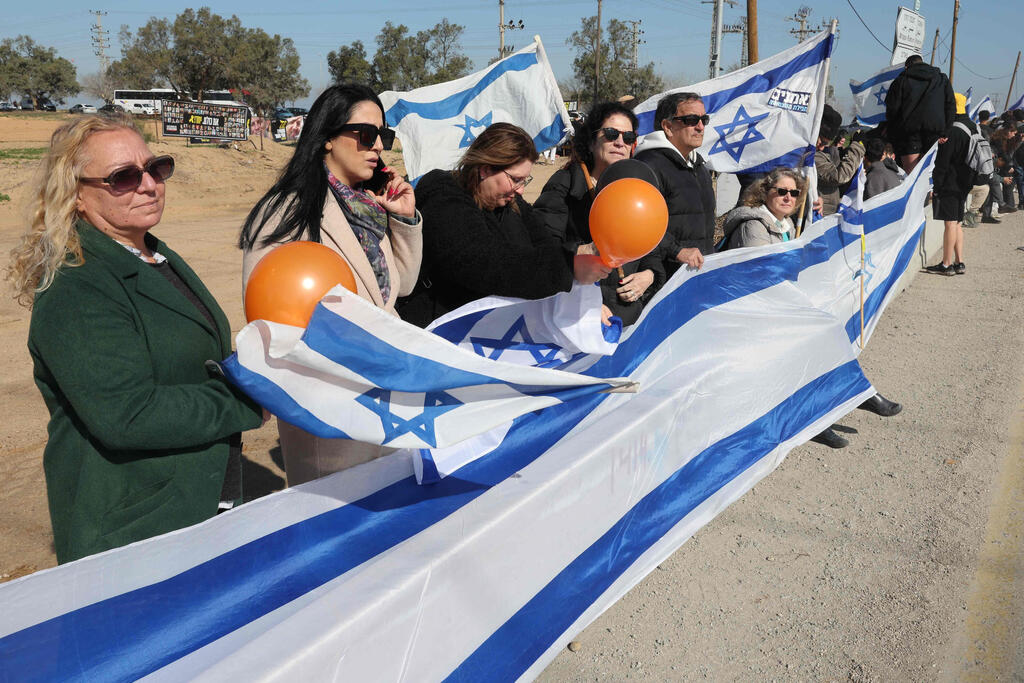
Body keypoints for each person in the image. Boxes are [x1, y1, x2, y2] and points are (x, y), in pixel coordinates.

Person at [6, 113, 264, 563]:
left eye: (156, 167)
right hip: (135, 528)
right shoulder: (78, 285)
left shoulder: (152, 252)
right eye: (123, 176)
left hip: (194, 503)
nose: (148, 184)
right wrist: (250, 401)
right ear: (77, 197)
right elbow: (128, 414)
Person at [240, 83, 422, 486]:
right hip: (327, 400)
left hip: (384, 389)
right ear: (326, 138)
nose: (378, 147)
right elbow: (269, 310)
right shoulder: (286, 209)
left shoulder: (367, 206)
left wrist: (404, 220)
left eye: (384, 136)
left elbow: (399, 289)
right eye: (366, 134)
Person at [396, 123, 611, 328]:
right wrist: (569, 267)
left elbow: (545, 247)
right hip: (441, 333)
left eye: (524, 180)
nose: (520, 190)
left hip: (498, 329)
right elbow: (486, 263)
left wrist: (578, 299)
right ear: (485, 169)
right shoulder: (442, 194)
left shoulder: (511, 205)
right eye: (515, 179)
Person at [533, 101, 664, 326]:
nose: (620, 142)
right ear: (592, 141)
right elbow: (542, 247)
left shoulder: (638, 185)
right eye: (611, 133)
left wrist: (649, 274)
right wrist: (582, 252)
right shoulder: (565, 184)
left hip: (629, 317)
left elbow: (652, 240)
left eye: (629, 137)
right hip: (578, 316)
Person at [634, 92, 716, 278]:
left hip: (696, 276)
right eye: (691, 120)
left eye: (704, 119)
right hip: (661, 279)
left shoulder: (700, 167)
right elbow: (639, 224)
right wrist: (677, 250)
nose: (701, 127)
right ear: (668, 126)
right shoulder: (648, 166)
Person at [925, 92, 978, 276]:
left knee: (949, 224)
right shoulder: (973, 127)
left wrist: (936, 185)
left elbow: (943, 163)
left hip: (951, 182)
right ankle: (959, 261)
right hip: (965, 183)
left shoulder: (953, 131)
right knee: (957, 223)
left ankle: (946, 264)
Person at [885, 54, 955, 172]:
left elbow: (892, 108)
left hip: (909, 132)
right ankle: (928, 191)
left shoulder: (901, 80)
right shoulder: (942, 79)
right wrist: (946, 131)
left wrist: (891, 132)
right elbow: (950, 105)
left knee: (910, 174)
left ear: (907, 67)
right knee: (927, 172)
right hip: (934, 130)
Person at [720, 168, 805, 249]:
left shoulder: (787, 223)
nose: (788, 198)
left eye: (794, 193)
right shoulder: (753, 226)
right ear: (765, 191)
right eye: (782, 191)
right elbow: (761, 263)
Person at [815, 105, 865, 215]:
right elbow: (839, 176)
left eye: (826, 144)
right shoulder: (811, 156)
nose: (822, 148)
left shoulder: (818, 153)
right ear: (814, 133)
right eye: (821, 142)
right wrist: (856, 147)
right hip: (819, 215)